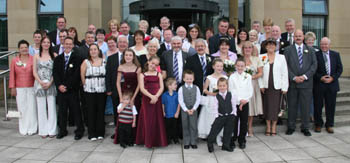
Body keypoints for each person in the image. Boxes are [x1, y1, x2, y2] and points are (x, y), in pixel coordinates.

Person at [284, 29, 317, 136]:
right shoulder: (288, 50)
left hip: (306, 84)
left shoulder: (310, 50)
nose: (298, 38)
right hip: (293, 83)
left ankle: (305, 127)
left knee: (305, 106)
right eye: (296, 36)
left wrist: (304, 76)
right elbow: (285, 66)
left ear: (303, 37)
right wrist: (294, 77)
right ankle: (291, 126)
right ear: (294, 37)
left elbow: (314, 65)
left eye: (300, 36)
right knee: (292, 106)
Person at [53, 37, 85, 140]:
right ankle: (62, 131)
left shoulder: (78, 58)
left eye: (70, 44)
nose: (68, 46)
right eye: (66, 44)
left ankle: (79, 131)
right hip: (61, 90)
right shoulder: (58, 59)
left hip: (72, 90)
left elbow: (76, 75)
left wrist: (67, 86)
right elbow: (55, 74)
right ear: (63, 45)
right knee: (62, 111)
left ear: (72, 45)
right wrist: (59, 86)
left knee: (76, 111)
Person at [136, 56, 167, 148]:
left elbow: (161, 87)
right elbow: (142, 88)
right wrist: (151, 96)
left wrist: (156, 96)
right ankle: (147, 141)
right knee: (148, 119)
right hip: (147, 99)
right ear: (148, 62)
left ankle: (158, 140)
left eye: (156, 64)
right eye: (152, 63)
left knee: (157, 119)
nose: (154, 65)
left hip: (157, 99)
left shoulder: (159, 74)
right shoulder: (142, 75)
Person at [259, 39, 289, 136]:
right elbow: (259, 73)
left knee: (276, 107)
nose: (271, 47)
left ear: (276, 47)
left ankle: (274, 127)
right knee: (267, 107)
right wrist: (261, 85)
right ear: (266, 47)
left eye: (273, 45)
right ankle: (268, 126)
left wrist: (285, 87)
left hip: (277, 87)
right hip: (266, 87)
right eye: (269, 45)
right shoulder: (262, 57)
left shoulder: (281, 57)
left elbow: (285, 73)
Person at [313, 37, 343, 134]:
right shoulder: (315, 55)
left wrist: (333, 78)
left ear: (329, 45)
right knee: (318, 106)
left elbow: (339, 69)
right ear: (320, 44)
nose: (324, 46)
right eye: (322, 44)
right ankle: (318, 124)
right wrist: (320, 77)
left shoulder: (336, 55)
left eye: (326, 44)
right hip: (319, 84)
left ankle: (329, 125)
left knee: (330, 106)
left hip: (332, 84)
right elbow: (313, 69)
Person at [9, 40, 37, 136]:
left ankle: (32, 128)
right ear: (19, 49)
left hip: (31, 86)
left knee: (32, 108)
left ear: (28, 48)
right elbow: (12, 74)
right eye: (22, 48)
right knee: (22, 108)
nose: (24, 49)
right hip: (19, 88)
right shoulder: (15, 60)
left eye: (26, 47)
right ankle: (23, 127)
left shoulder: (33, 58)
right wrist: (12, 87)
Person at [80, 44, 107, 141]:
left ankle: (100, 132)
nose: (93, 51)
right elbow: (82, 76)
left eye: (95, 49)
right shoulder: (85, 62)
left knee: (100, 111)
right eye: (91, 50)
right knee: (91, 111)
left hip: (101, 90)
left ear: (98, 50)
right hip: (89, 90)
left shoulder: (104, 61)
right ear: (89, 51)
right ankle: (92, 133)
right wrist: (87, 85)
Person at [197, 59, 226, 145]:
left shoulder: (225, 77)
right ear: (213, 66)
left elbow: (227, 90)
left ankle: (219, 137)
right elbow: (204, 90)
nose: (219, 68)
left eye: (221, 66)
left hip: (221, 100)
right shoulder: (209, 78)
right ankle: (212, 137)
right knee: (211, 119)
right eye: (217, 66)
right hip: (211, 100)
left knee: (220, 119)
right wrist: (212, 93)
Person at [33, 37, 57, 138]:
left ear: (50, 44)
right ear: (41, 44)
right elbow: (34, 71)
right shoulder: (36, 56)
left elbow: (56, 72)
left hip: (51, 84)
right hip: (39, 84)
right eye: (44, 42)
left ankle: (52, 130)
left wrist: (50, 82)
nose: (46, 44)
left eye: (48, 42)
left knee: (52, 108)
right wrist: (41, 82)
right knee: (41, 108)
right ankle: (43, 131)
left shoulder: (54, 55)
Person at [207, 77, 237, 153]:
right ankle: (210, 144)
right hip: (220, 116)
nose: (222, 87)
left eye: (224, 86)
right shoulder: (216, 96)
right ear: (218, 86)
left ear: (227, 86)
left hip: (230, 116)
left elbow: (233, 104)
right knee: (214, 130)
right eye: (220, 86)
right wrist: (217, 116)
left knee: (228, 132)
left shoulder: (231, 94)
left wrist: (234, 113)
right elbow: (215, 107)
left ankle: (225, 146)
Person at [229, 58, 253, 149]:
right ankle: (233, 139)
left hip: (245, 102)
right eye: (238, 65)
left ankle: (242, 140)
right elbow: (231, 91)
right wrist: (239, 100)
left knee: (244, 122)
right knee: (234, 122)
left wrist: (245, 100)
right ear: (235, 66)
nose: (240, 67)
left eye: (242, 66)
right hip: (235, 103)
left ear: (245, 66)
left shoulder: (248, 76)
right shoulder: (232, 77)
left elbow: (250, 90)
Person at [106, 35, 128, 138]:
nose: (122, 44)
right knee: (116, 110)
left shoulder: (131, 57)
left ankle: (128, 132)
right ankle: (117, 131)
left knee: (127, 110)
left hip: (128, 88)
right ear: (117, 44)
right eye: (121, 42)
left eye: (124, 42)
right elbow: (108, 74)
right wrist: (109, 89)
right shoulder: (111, 58)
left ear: (127, 44)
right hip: (115, 88)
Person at [242, 41, 263, 137]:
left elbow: (260, 73)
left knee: (251, 108)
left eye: (249, 47)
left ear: (252, 49)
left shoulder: (256, 59)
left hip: (253, 85)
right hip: (241, 85)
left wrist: (251, 77)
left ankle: (249, 127)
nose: (247, 49)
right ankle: (242, 127)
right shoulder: (239, 59)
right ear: (243, 49)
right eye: (245, 48)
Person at [178, 70, 201, 149]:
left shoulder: (196, 88)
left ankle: (193, 141)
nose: (189, 80)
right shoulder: (181, 88)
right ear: (184, 79)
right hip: (185, 110)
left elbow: (198, 99)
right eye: (187, 79)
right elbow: (180, 100)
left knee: (193, 125)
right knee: (185, 125)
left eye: (190, 79)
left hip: (194, 110)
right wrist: (186, 109)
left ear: (193, 79)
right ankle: (186, 142)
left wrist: (194, 109)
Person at [162, 78, 180, 144]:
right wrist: (163, 111)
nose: (176, 86)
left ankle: (175, 139)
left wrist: (177, 112)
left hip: (174, 114)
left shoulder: (177, 94)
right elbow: (163, 104)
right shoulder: (164, 95)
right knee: (168, 127)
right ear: (169, 86)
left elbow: (179, 104)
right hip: (167, 114)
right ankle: (168, 139)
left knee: (175, 127)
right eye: (175, 84)